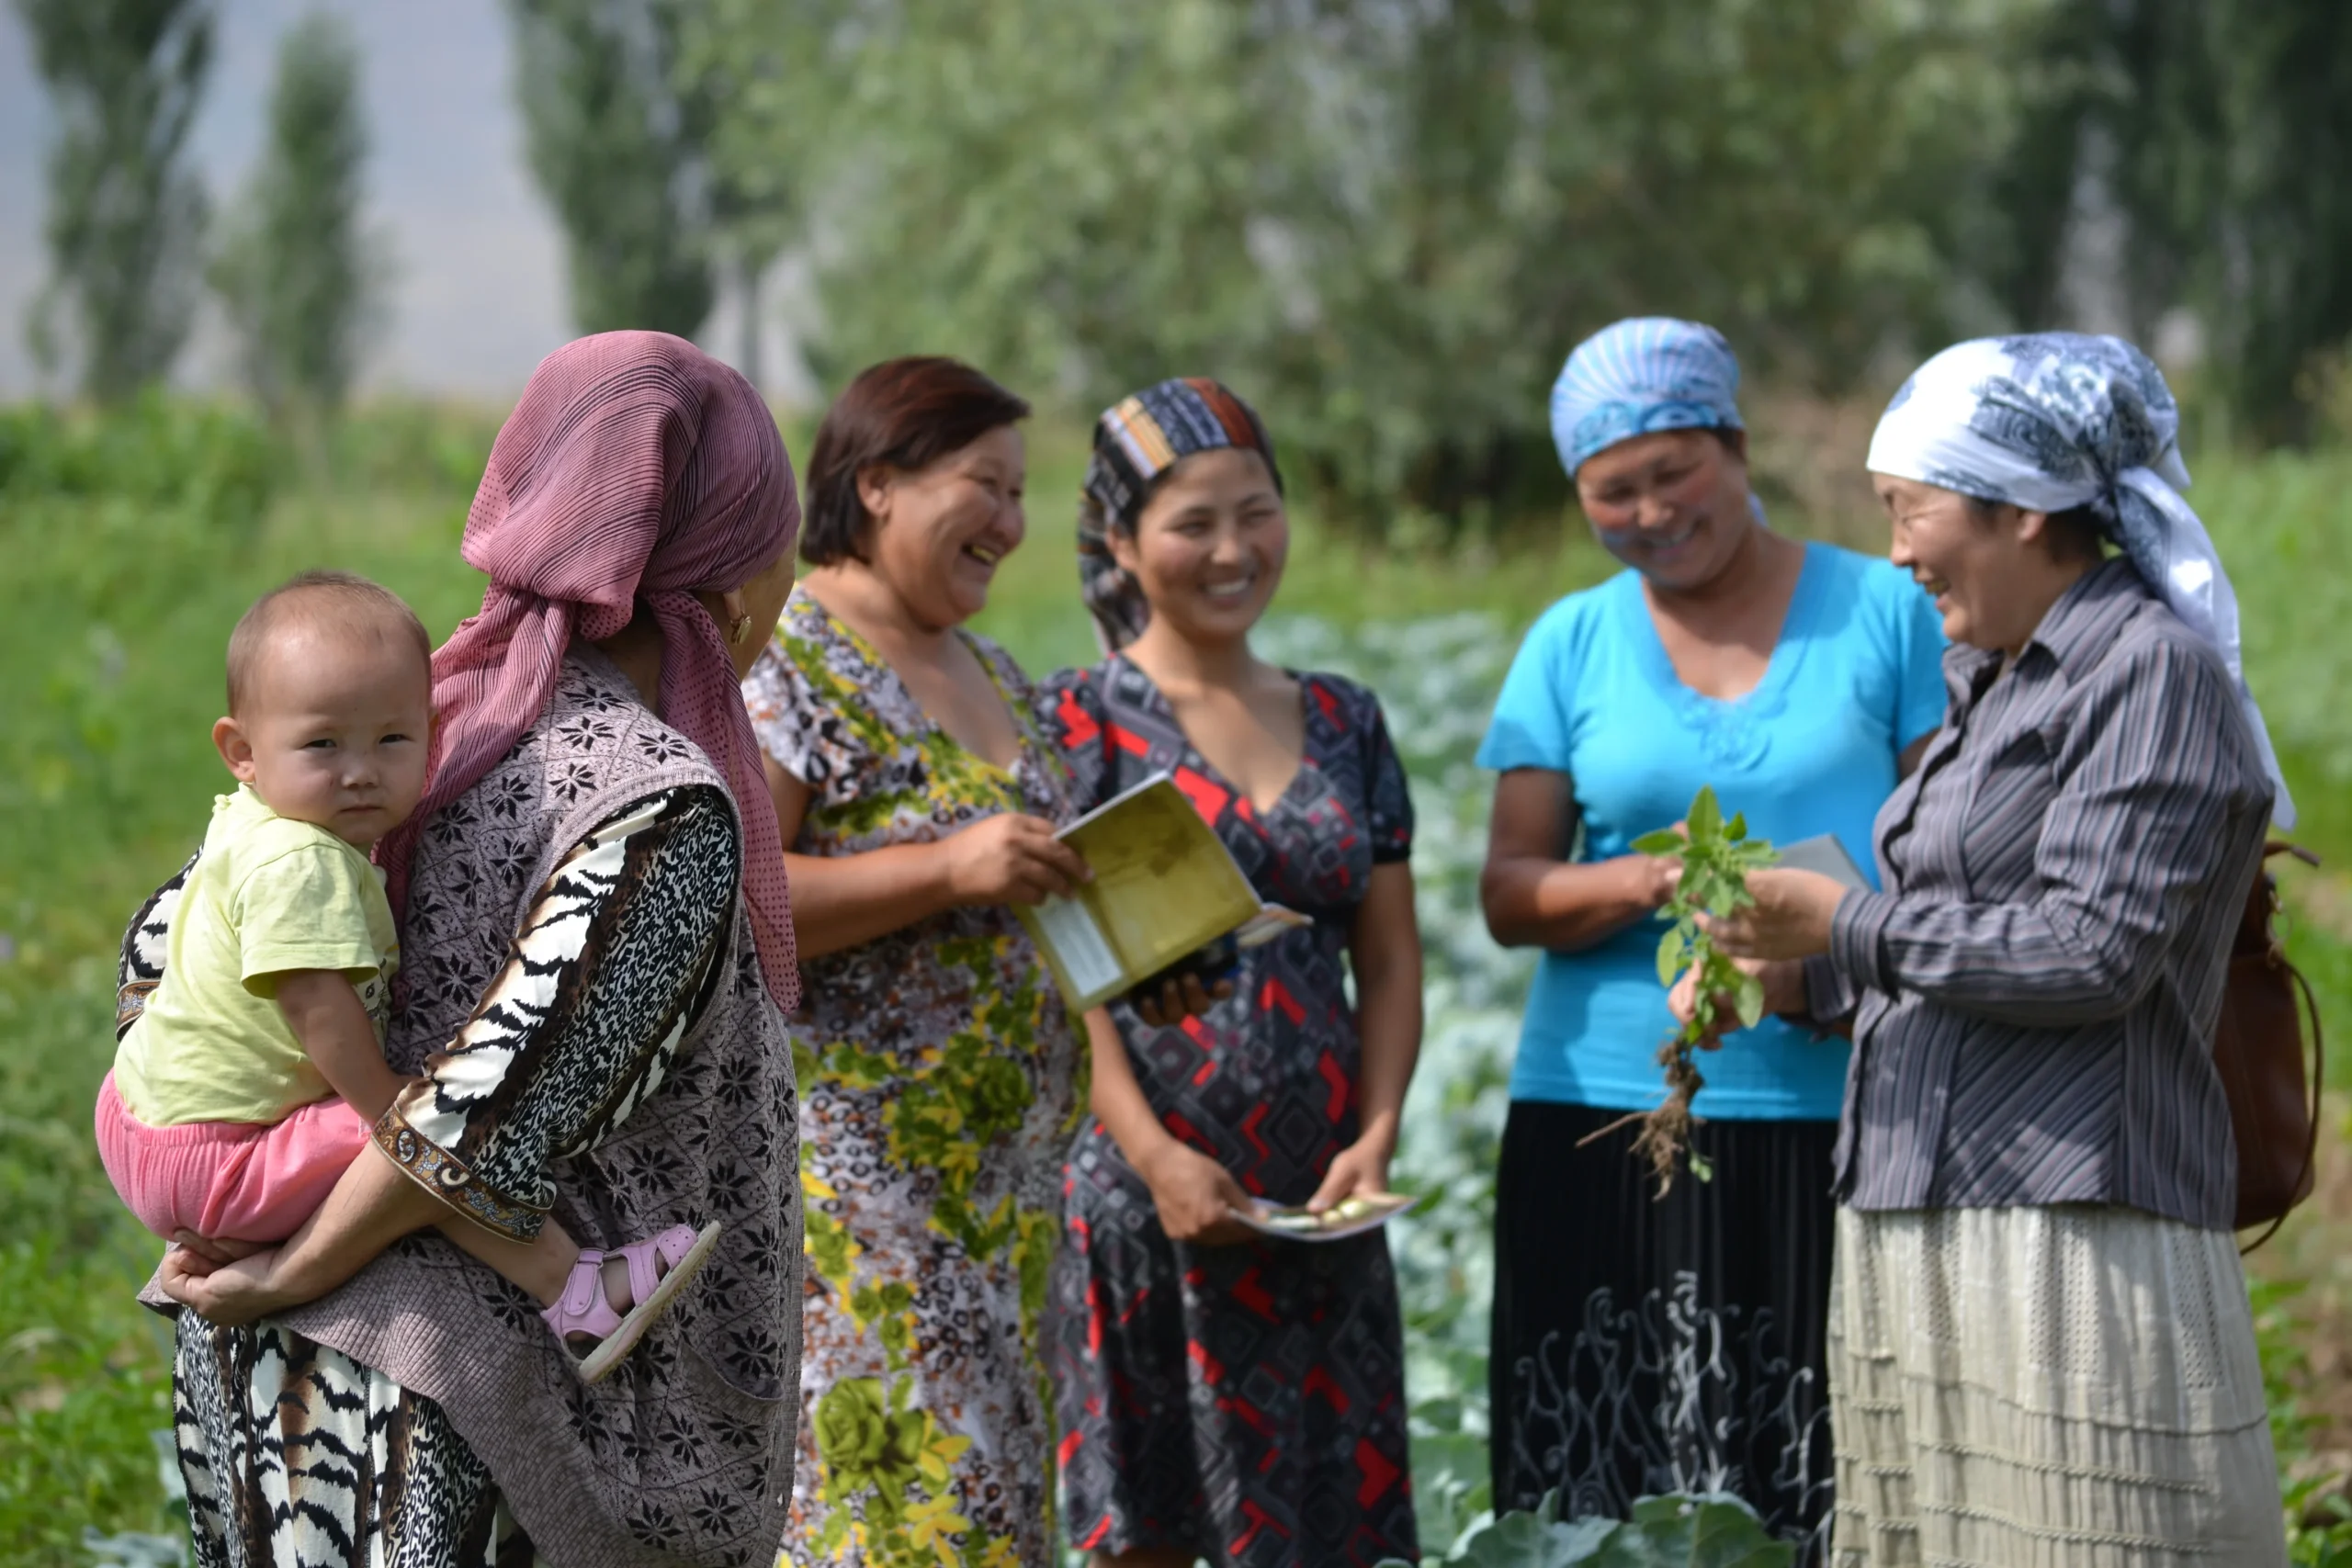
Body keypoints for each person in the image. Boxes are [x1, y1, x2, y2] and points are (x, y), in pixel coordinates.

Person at [146, 331, 807, 1566]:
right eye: (782, 542)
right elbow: (474, 1121)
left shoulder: (392, 727)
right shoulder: (648, 801)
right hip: (482, 1427)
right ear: (721, 566)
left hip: (293, 1393)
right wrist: (289, 1265)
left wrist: (229, 1200)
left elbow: (164, 952)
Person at [1690, 332, 2292, 1566]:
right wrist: (1793, 970)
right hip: (1919, 1201)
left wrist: (1842, 920)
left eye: (1911, 510)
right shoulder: (1992, 678)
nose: (1898, 551)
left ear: (2021, 510)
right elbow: (1950, 946)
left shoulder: (2149, 673)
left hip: (2071, 1231)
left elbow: (2092, 952)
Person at [1475, 318, 1949, 1548]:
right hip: (1605, 1105)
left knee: (1825, 1467)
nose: (1649, 510)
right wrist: (1648, 878)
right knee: (1600, 1469)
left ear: (1735, 448)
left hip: (1840, 1099)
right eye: (1610, 490)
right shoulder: (1569, 641)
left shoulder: (1887, 611)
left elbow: (1947, 852)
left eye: (1673, 470)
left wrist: (1808, 947)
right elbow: (1511, 890)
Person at [97, 570, 712, 1383]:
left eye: (391, 741)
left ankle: (243, 1220)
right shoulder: (302, 863)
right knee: (426, 1141)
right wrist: (391, 1103)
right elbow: (315, 1005)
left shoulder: (251, 822)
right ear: (241, 751)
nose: (359, 771)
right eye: (323, 745)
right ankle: (574, 1291)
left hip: (145, 1118)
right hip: (214, 1153)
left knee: (411, 1135)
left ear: (430, 731)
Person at [1042, 377, 1423, 1568]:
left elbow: (1390, 950)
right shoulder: (1078, 723)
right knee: (1147, 1530)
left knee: (1326, 1525)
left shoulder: (1345, 716)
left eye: (1256, 513)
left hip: (1318, 1199)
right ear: (1119, 539)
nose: (1232, 549)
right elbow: (1065, 977)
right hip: (1148, 1199)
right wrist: (1155, 1158)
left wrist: (1379, 1129)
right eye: (1191, 523)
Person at [741, 356, 1089, 1568]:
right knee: (896, 1529)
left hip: (1009, 1210)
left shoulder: (993, 671)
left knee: (994, 1524)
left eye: (1021, 490)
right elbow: (738, 895)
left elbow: (1018, 893)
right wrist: (945, 869)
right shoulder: (790, 657)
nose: (1011, 519)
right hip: (866, 1214)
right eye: (984, 483)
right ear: (878, 483)